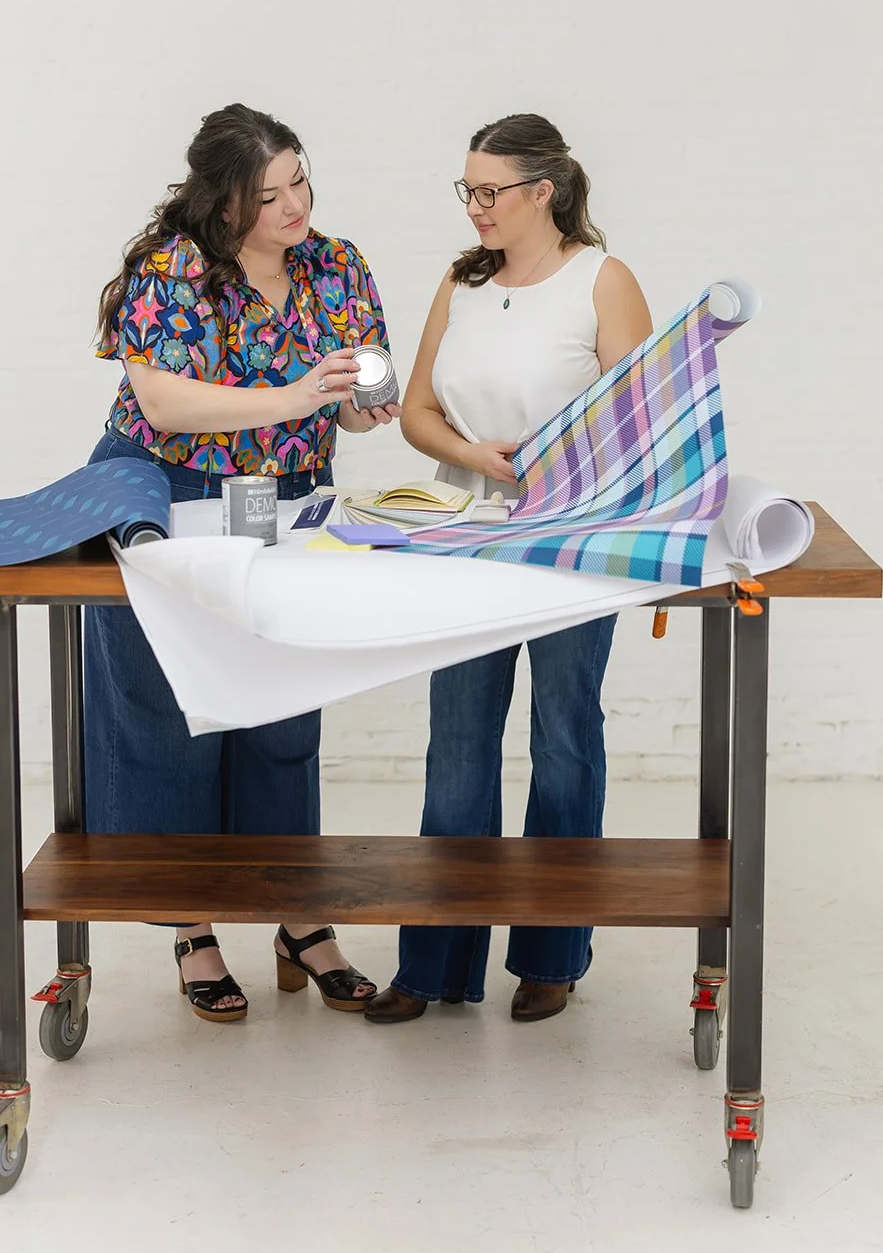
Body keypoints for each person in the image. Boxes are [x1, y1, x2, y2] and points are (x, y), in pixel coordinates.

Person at [87, 102, 398, 1023]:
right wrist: (290, 393)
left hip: (286, 499)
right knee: (171, 709)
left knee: (280, 703)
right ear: (224, 204)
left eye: (300, 180)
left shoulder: (336, 265)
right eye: (269, 196)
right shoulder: (171, 269)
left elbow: (341, 399)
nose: (295, 206)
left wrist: (353, 407)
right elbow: (164, 402)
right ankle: (193, 925)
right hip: (168, 492)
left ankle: (299, 915)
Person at [365, 112, 653, 1026]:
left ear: (544, 191)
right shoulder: (461, 281)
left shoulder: (601, 283)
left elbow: (640, 428)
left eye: (490, 191)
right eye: (468, 190)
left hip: (572, 545)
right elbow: (414, 414)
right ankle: (437, 962)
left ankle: (551, 955)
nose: (476, 207)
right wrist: (472, 455)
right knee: (458, 744)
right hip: (465, 540)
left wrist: (551, 464)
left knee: (564, 737)